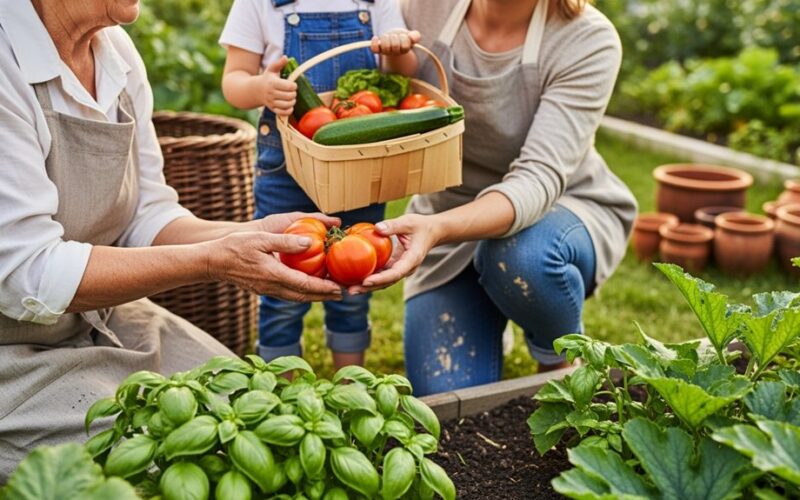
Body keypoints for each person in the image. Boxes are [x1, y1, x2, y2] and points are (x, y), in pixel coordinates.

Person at [0, 0, 343, 479]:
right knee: (193, 462)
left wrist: (252, 236)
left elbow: (148, 215)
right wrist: (212, 261)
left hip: (100, 318)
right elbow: (27, 273)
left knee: (264, 416)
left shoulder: (114, 50)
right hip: (10, 356)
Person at [352, 0, 638, 395]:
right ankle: (494, 304)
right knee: (448, 400)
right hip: (448, 218)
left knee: (521, 257)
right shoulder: (425, 7)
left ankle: (558, 354)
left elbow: (538, 178)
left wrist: (436, 229)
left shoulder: (587, 39)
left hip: (558, 210)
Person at [219, 0, 419, 369]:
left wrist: (396, 50)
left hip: (356, 166)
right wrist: (261, 88)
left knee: (357, 277)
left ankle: (350, 380)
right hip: (286, 167)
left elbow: (405, 70)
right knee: (281, 278)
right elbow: (234, 81)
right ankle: (279, 384)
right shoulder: (259, 4)